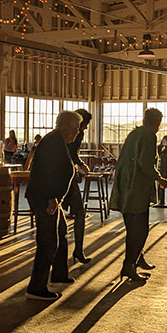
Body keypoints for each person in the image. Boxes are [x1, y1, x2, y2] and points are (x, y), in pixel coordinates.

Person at [25, 111, 82, 301]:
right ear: (66, 126)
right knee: (48, 241)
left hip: (50, 197)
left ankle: (59, 273)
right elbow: (47, 173)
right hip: (45, 197)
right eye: (75, 128)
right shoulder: (53, 142)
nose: (77, 132)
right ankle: (36, 287)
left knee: (61, 232)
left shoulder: (58, 141)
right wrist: (52, 197)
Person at [110, 109, 167, 283]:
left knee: (132, 227)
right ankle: (129, 266)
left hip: (125, 185)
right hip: (137, 188)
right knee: (140, 230)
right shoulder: (150, 136)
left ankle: (137, 258)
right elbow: (144, 163)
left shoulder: (134, 133)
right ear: (157, 123)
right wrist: (159, 178)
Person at [62, 108, 93, 264]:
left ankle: (71, 251)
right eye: (86, 124)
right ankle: (78, 250)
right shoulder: (77, 133)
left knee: (65, 215)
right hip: (65, 176)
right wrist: (81, 165)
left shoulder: (59, 134)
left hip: (65, 174)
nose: (86, 128)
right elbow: (71, 153)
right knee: (79, 213)